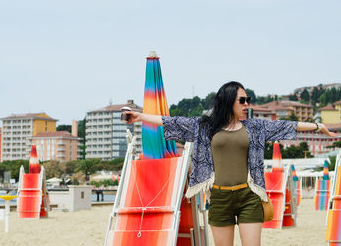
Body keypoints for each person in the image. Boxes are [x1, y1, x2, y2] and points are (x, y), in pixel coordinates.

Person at [126, 81, 337, 246]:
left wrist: (319, 126)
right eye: (243, 101)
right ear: (228, 102)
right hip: (219, 198)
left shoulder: (256, 127)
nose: (248, 104)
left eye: (248, 100)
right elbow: (170, 121)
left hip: (250, 197)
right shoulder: (205, 127)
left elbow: (287, 126)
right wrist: (139, 117)